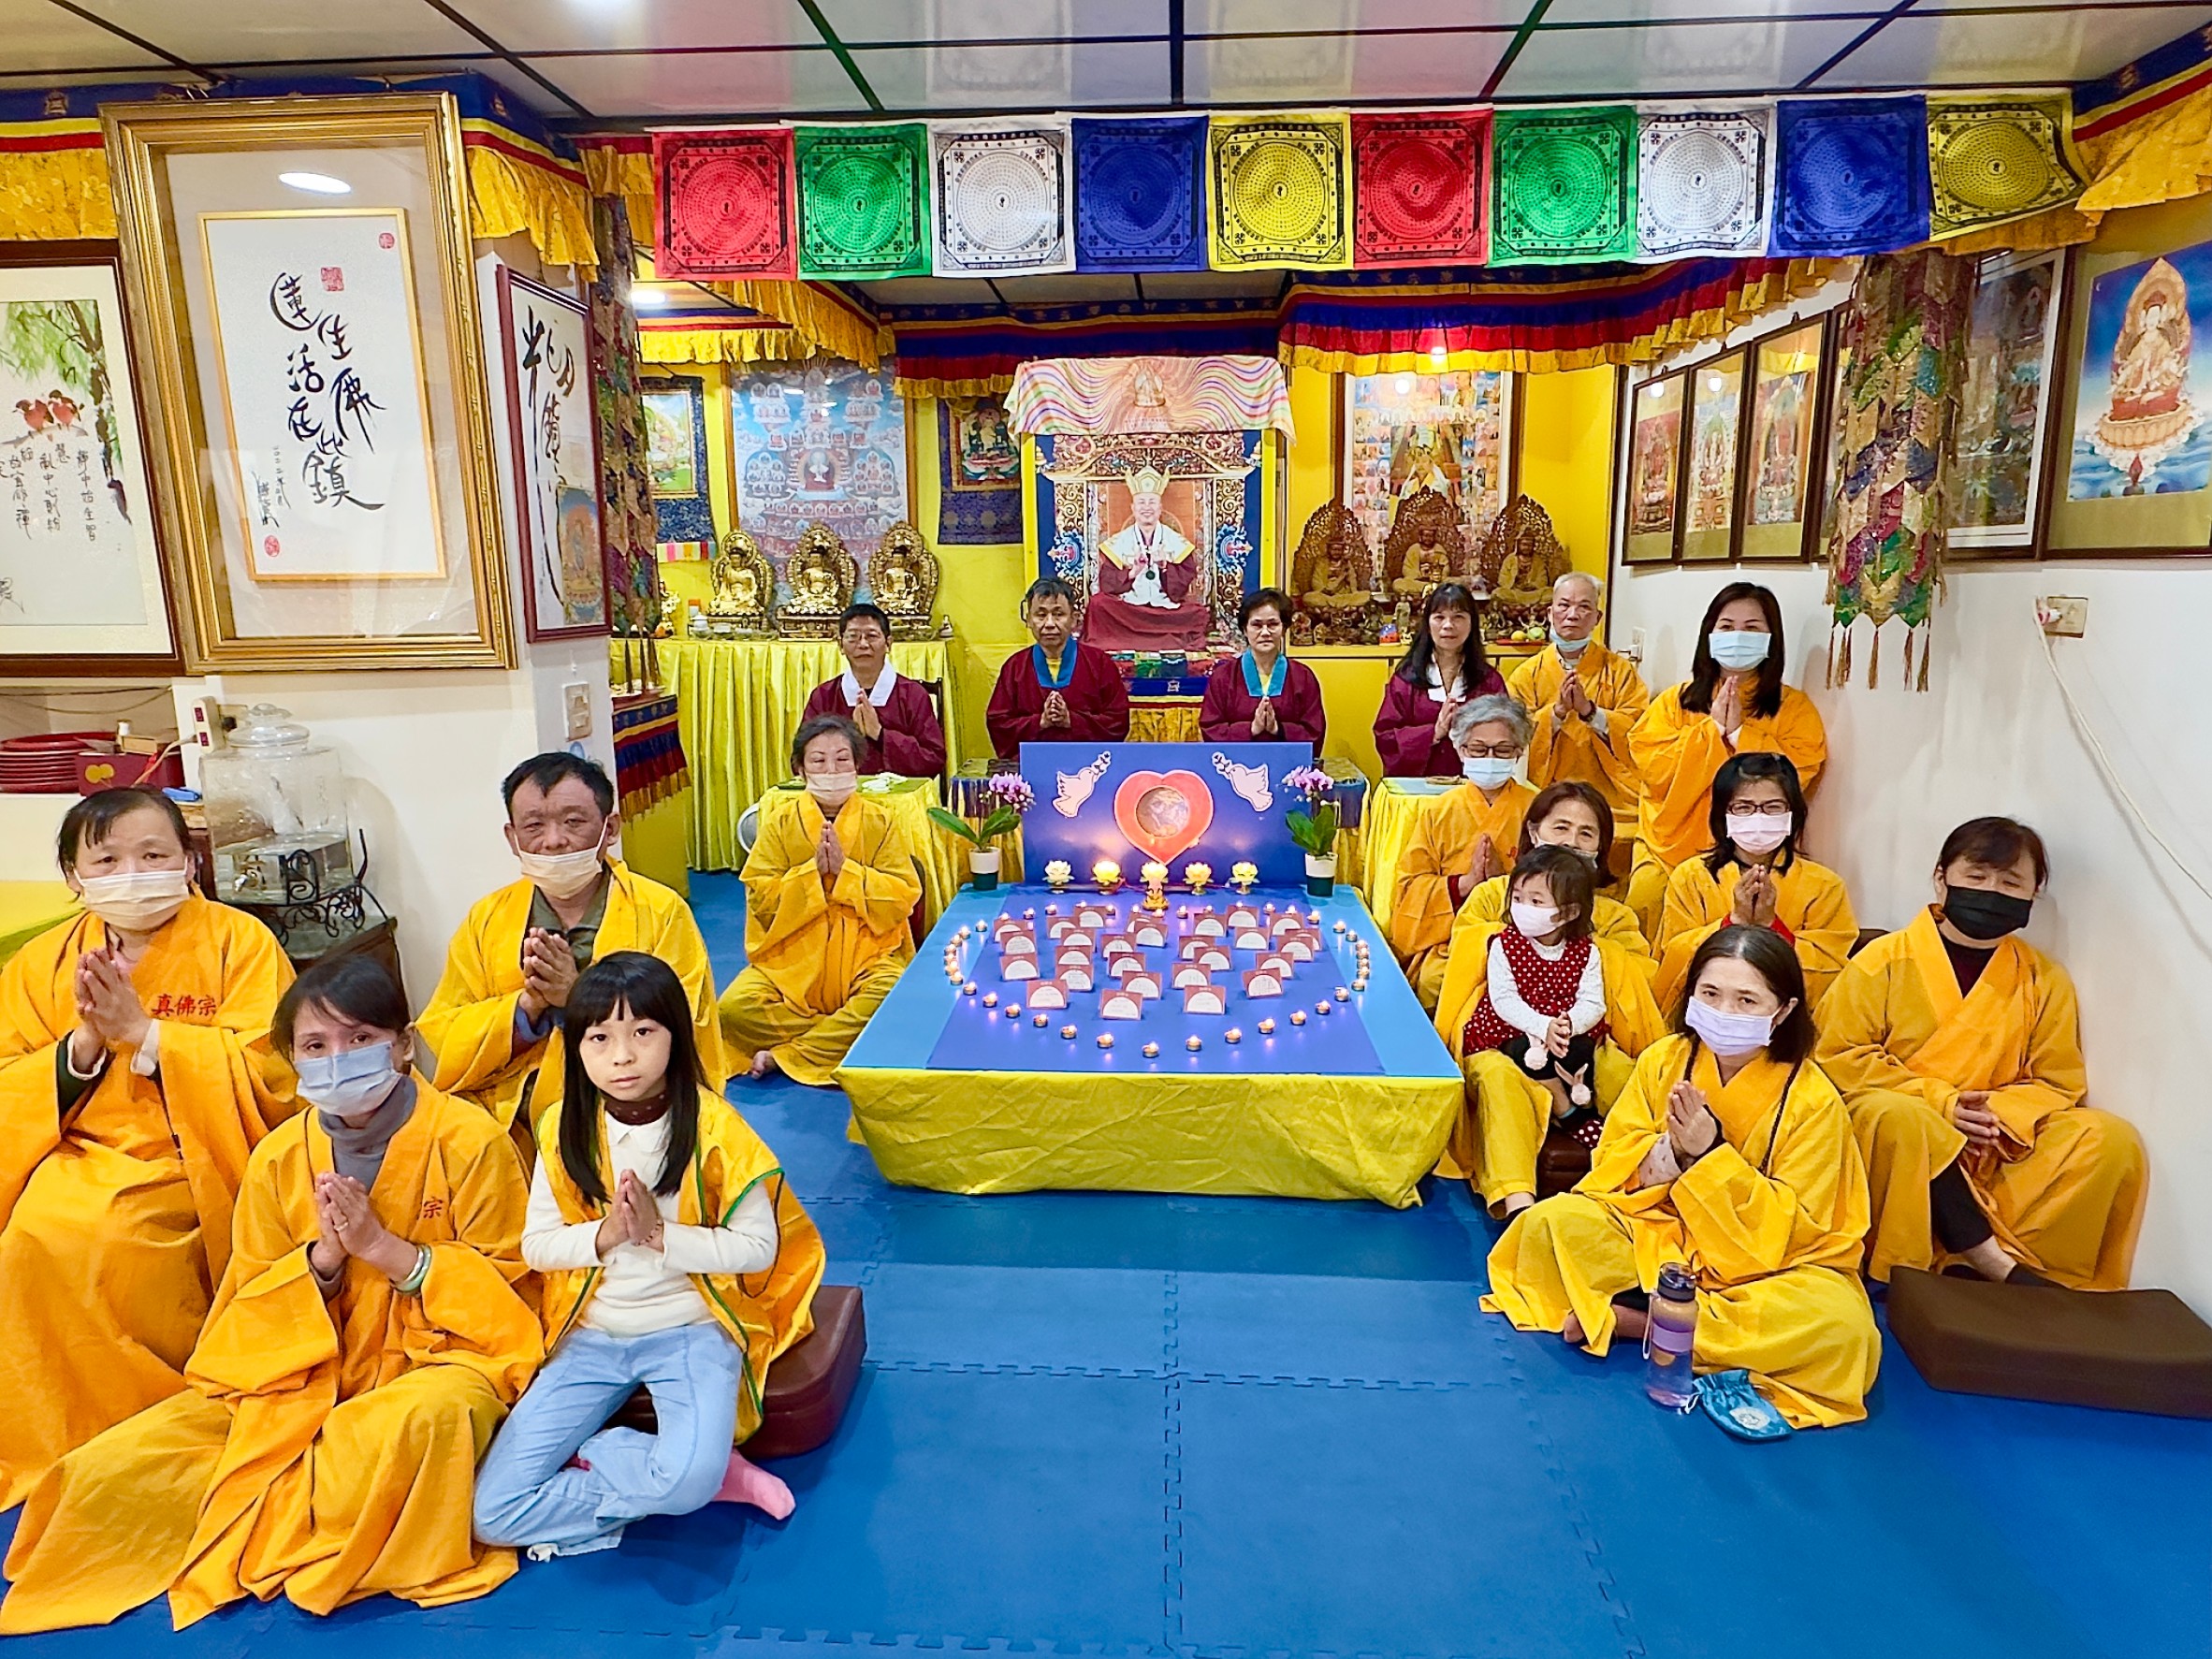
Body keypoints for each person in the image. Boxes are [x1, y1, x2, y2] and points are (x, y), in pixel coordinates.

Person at [0, 955, 539, 1631]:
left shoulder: (471, 1141)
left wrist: (389, 1252)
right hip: (296, 1378)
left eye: (360, 1039)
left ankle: (279, 1512)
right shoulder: (280, 1157)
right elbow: (246, 1311)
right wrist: (323, 1262)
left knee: (420, 1425)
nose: (338, 1060)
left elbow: (514, 1302)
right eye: (316, 1046)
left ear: (402, 1045)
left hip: (431, 1369)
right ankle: (303, 1509)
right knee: (107, 1473)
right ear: (293, 1061)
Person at [474, 953, 824, 1560]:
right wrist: (607, 1234)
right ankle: (687, 1472)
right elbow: (537, 1245)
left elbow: (758, 1247)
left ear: (675, 1037)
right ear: (577, 1048)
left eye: (642, 1032)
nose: (622, 1056)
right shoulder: (562, 1126)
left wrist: (661, 1235)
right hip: (590, 1333)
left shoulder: (715, 1128)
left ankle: (662, 1467)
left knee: (685, 1481)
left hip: (690, 1329)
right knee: (492, 1514)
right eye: (600, 1038)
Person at [0, 787, 294, 1508]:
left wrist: (148, 1034)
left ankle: (152, 1427)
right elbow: (10, 1077)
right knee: (27, 1242)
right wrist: (83, 1044)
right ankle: (57, 1436)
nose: (133, 874)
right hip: (77, 1148)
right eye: (108, 861)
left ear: (188, 862)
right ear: (74, 877)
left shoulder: (239, 943)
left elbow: (276, 1070)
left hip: (193, 1152)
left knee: (117, 1242)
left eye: (153, 854)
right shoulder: (41, 964)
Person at [1484, 926, 1880, 1429]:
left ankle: (1642, 1321)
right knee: (1549, 1224)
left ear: (1782, 1012)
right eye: (1710, 994)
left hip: (1767, 1269)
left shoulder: (1814, 1101)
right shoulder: (1665, 1060)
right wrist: (1674, 1152)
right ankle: (1691, 1323)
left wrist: (1711, 1155)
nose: (1724, 1012)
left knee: (1843, 1328)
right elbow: (1611, 1168)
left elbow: (1805, 1226)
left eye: (1746, 1000)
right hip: (1660, 1232)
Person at [1815, 817, 2146, 1289]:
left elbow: (2058, 1081)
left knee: (2109, 1140)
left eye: (2010, 883)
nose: (1992, 892)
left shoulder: (2043, 979)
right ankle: (1962, 1262)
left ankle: (2024, 1269)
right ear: (1941, 878)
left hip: (1997, 1141)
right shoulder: (1882, 961)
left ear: (2033, 895)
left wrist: (1992, 1119)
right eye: (1976, 876)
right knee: (1902, 1118)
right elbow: (1837, 1055)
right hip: (1902, 1131)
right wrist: (1942, 1105)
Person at [419, 753, 725, 1134]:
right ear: (512, 838)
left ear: (610, 829)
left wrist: (576, 999)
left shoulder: (660, 911)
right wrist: (527, 1007)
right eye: (534, 826)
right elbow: (445, 1029)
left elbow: (684, 1023)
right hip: (508, 1110)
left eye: (573, 822)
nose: (553, 841)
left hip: (622, 1102)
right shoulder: (487, 918)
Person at [1450, 846, 1664, 1218]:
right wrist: (1542, 1026)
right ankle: (1517, 1198)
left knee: (1619, 1071)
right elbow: (1504, 1000)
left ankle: (1638, 1167)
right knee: (1501, 1079)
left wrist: (1566, 1026)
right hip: (1504, 1037)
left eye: (1536, 901)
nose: (1523, 908)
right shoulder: (1504, 945)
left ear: (1568, 912)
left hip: (1568, 1037)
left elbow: (1593, 1003)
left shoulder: (1587, 952)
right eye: (1518, 898)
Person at [720, 716, 923, 1084]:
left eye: (842, 760)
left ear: (858, 767)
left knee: (891, 995)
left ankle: (788, 1054)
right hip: (793, 958)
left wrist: (847, 873)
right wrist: (810, 875)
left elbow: (902, 893)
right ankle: (838, 1035)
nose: (831, 770)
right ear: (800, 770)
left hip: (865, 955)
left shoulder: (881, 821)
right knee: (734, 1009)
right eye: (818, 761)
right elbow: (761, 897)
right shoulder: (780, 823)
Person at [1626, 582, 1826, 940]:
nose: (1738, 636)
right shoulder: (1675, 701)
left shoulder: (1793, 708)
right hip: (1666, 848)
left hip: (1755, 852)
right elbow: (1654, 769)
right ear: (1710, 634)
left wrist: (1738, 734)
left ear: (1771, 639)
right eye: (1727, 626)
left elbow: (1797, 774)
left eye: (1752, 628)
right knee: (1646, 896)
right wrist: (1712, 730)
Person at [1652, 753, 1857, 1012]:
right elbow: (1674, 958)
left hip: (1788, 1019)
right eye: (1743, 807)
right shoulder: (1691, 877)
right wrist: (1733, 922)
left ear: (1792, 813)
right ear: (1723, 814)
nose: (1758, 817)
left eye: (1773, 807)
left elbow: (1831, 971)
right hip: (1711, 1012)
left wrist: (1771, 926)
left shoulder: (1825, 886)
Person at [1388, 694, 1535, 1010]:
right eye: (1479, 749)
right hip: (1449, 938)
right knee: (1434, 981)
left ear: (1519, 751)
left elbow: (1556, 878)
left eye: (1502, 750)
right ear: (1461, 750)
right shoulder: (1438, 811)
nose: (1490, 758)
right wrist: (1463, 885)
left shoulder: (1538, 808)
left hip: (1522, 935)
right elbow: (1408, 889)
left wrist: (1503, 884)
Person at [1440, 781, 1657, 986]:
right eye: (1561, 828)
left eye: (1586, 834)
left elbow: (1639, 979)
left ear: (1599, 847)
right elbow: (1463, 954)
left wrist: (1574, 950)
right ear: (1534, 833)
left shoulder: (1615, 917)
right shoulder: (1491, 895)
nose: (1571, 842)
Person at [1508, 573, 1650, 825]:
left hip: (1609, 791)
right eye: (1564, 605)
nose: (1572, 615)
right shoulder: (1527, 675)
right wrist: (1556, 713)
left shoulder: (1620, 671)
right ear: (1550, 613)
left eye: (1584, 607)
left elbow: (1639, 730)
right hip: (1544, 789)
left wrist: (1590, 712)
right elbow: (1514, 734)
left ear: (1597, 618)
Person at [985, 575, 1131, 758]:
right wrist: (1041, 721)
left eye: (1058, 614)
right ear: (1028, 619)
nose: (1049, 624)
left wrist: (1071, 720)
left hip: (1088, 765)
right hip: (1032, 766)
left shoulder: (1099, 663)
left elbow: (1118, 721)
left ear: (1074, 619)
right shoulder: (1015, 667)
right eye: (1041, 615)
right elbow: (998, 723)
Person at [799, 602, 947, 779]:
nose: (863, 644)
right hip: (836, 792)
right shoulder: (824, 696)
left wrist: (880, 734)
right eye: (853, 637)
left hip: (898, 795)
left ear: (888, 643)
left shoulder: (913, 695)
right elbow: (800, 758)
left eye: (871, 636)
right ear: (840, 645)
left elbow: (933, 760)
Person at [1371, 582, 1504, 778]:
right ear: (1427, 624)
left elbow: (1505, 736)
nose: (1448, 625)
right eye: (1439, 617)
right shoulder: (1406, 680)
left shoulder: (1489, 681)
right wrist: (1433, 733)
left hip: (1474, 787)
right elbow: (1385, 738)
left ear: (1472, 623)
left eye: (1458, 617)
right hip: (1417, 788)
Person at [1199, 588, 1326, 746]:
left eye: (1273, 624)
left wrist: (1279, 729)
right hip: (1237, 761)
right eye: (1257, 625)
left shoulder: (1303, 677)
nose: (1265, 632)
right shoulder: (1223, 677)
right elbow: (1211, 729)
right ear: (1245, 630)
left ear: (1284, 628)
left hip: (1286, 761)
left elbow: (1314, 732)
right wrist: (1251, 729)